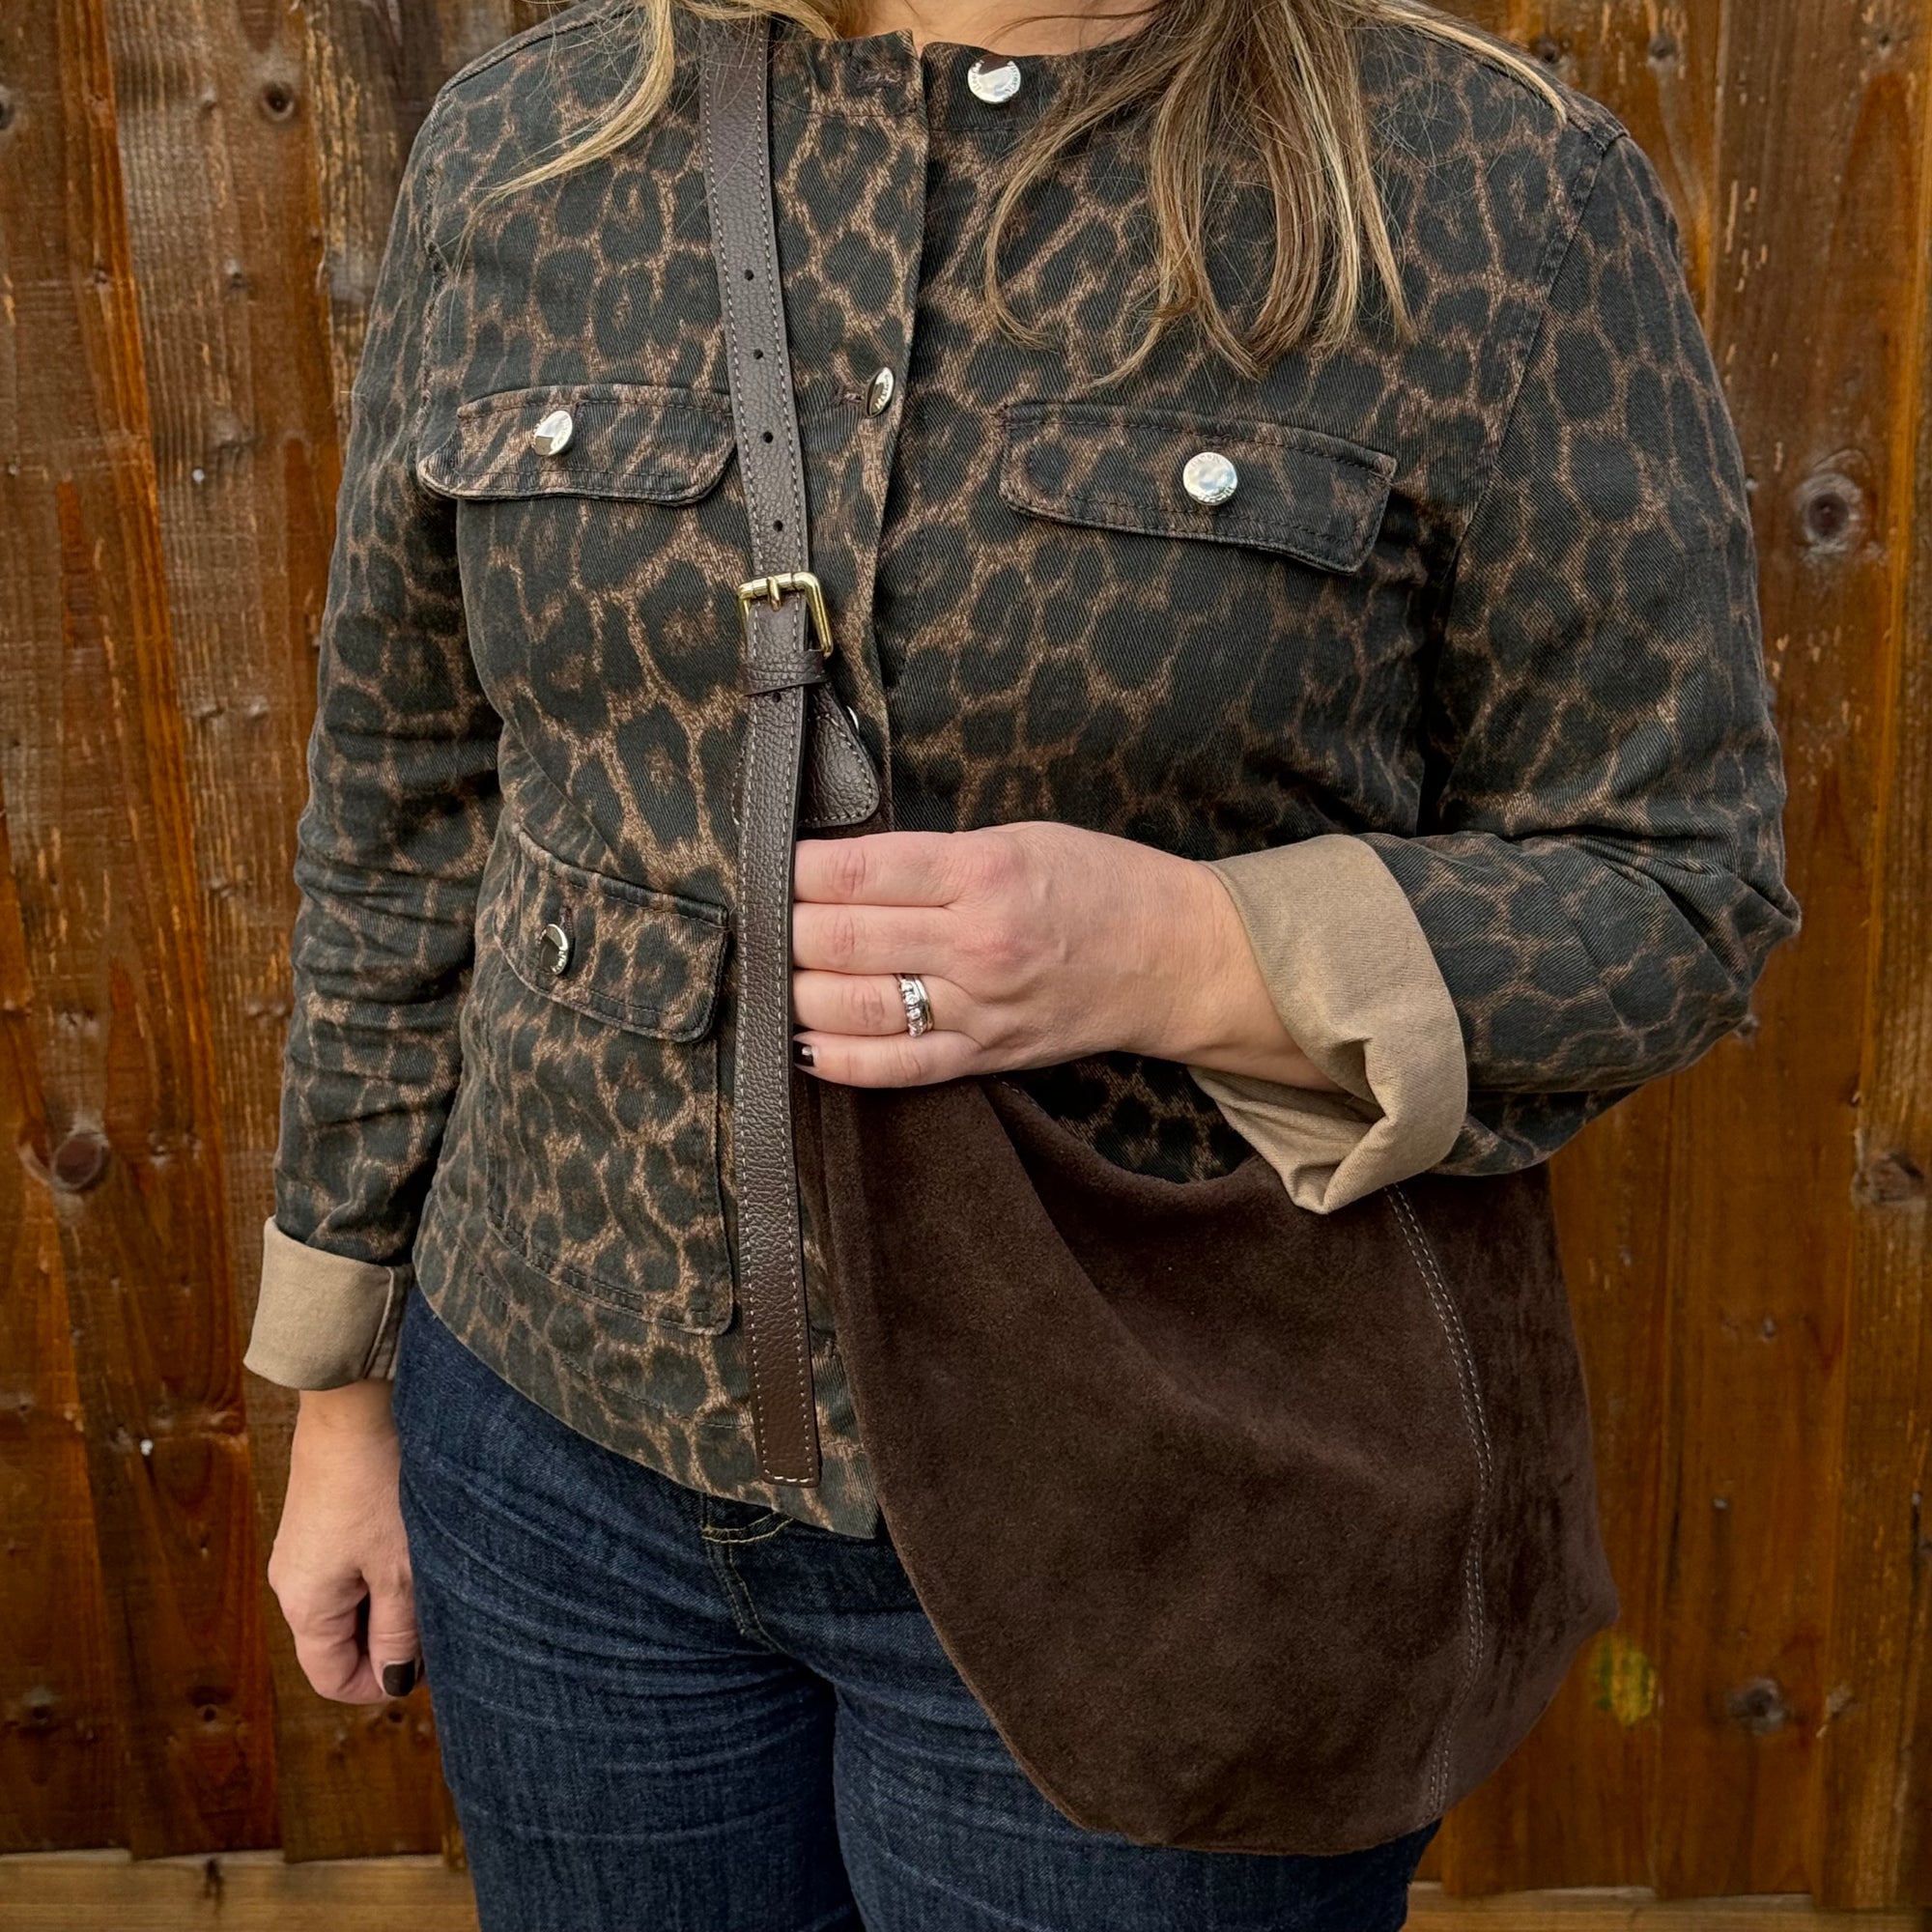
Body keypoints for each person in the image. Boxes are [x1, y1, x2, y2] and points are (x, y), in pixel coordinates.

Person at [246, 0, 1800, 1922]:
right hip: (564, 1482)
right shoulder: (530, 149)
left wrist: (1192, 951)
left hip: (1162, 1514)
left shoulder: (1482, 191)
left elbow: (1676, 880)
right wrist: (342, 1393)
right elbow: (405, 799)